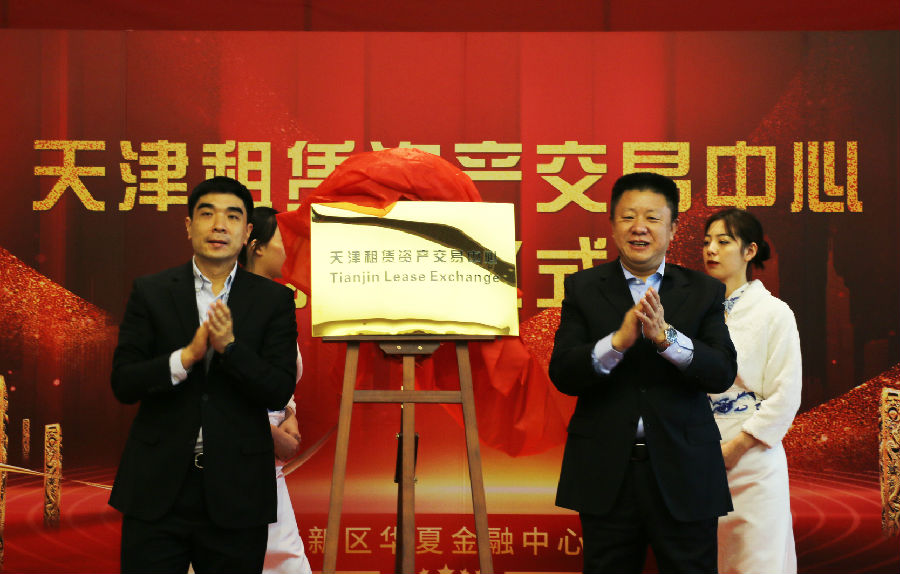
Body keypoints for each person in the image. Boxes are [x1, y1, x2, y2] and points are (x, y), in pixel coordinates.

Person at [549, 172, 737, 573]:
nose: (639, 227)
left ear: (673, 228)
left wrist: (667, 339)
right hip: (606, 470)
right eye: (628, 216)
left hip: (685, 469)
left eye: (652, 217)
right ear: (612, 225)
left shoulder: (704, 291)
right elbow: (563, 373)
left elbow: (721, 371)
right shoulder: (583, 288)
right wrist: (617, 342)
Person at [110, 176, 298, 573]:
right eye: (207, 214)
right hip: (158, 488)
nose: (219, 226)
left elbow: (278, 388)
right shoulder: (151, 291)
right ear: (189, 225)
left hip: (237, 490)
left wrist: (230, 348)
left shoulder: (274, 300)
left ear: (246, 232)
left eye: (233, 216)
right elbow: (124, 382)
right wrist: (185, 357)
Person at [703, 207, 802, 573]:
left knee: (758, 561)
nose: (711, 249)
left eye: (723, 241)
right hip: (699, 453)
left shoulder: (775, 313)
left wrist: (738, 446)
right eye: (707, 241)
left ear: (750, 251)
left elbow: (786, 394)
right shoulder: (696, 311)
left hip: (753, 458)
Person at [241, 206, 312, 574]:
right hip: (235, 452)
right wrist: (269, 434)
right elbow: (222, 388)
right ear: (256, 247)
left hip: (270, 460)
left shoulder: (277, 302)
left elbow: (280, 379)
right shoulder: (228, 304)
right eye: (283, 241)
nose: (290, 250)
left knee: (283, 556)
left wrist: (290, 414)